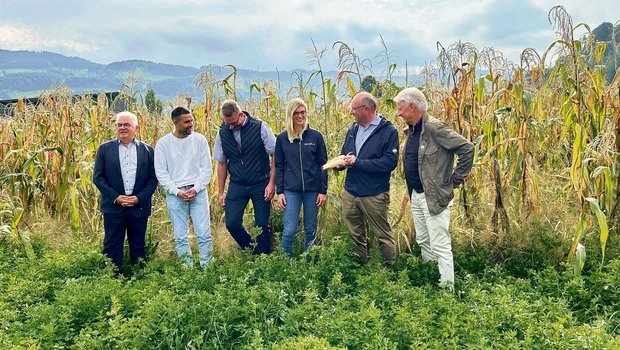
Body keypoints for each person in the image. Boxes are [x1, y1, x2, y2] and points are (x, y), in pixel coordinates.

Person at [394, 87, 474, 287]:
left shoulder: (435, 129)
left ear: (412, 107)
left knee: (440, 245)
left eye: (401, 108)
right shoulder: (411, 131)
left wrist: (454, 180)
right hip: (416, 195)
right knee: (423, 241)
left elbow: (467, 148)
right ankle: (431, 280)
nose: (398, 113)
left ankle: (447, 291)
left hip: (434, 197)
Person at [93, 111, 158, 273]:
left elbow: (153, 178)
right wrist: (116, 197)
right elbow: (98, 178)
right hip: (114, 207)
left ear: (136, 127)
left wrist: (139, 198)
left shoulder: (148, 151)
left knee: (138, 244)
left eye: (126, 125)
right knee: (112, 244)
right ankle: (111, 277)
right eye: (119, 125)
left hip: (139, 207)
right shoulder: (105, 149)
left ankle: (139, 277)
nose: (122, 128)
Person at [339, 92, 399, 264]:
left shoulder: (388, 131)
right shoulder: (353, 129)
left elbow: (389, 163)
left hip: (374, 194)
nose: (351, 112)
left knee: (383, 235)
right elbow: (347, 153)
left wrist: (358, 162)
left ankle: (390, 271)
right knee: (355, 234)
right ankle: (359, 267)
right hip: (351, 192)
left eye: (353, 108)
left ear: (366, 109)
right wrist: (342, 162)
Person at [213, 99, 276, 254]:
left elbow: (275, 155)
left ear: (241, 115)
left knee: (261, 224)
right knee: (232, 223)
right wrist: (221, 192)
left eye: (233, 122)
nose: (230, 126)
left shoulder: (260, 127)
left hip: (261, 182)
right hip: (237, 184)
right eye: (227, 123)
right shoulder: (223, 133)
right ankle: (252, 251)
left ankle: (264, 258)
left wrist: (272, 183)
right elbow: (221, 163)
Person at [154, 106, 213, 266]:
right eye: (187, 122)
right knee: (180, 237)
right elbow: (161, 173)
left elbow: (207, 168)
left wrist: (196, 188)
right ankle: (188, 272)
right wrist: (177, 191)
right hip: (175, 195)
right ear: (175, 122)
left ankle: (208, 269)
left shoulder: (199, 140)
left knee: (204, 234)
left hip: (198, 192)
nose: (191, 124)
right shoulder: (163, 144)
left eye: (192, 120)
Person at [275, 98, 328, 256]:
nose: (300, 116)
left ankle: (309, 264)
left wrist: (323, 191)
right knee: (289, 230)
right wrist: (280, 192)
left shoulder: (315, 137)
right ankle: (285, 265)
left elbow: (323, 165)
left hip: (313, 190)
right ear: (290, 115)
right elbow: (279, 166)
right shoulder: (282, 139)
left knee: (310, 229)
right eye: (296, 113)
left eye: (303, 112)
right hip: (291, 190)